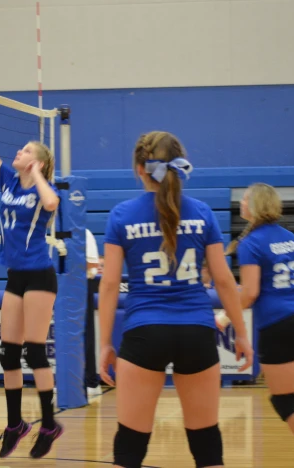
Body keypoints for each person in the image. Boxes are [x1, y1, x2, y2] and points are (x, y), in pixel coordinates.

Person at [98, 131, 253, 468]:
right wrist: (241, 333)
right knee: (206, 443)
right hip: (195, 331)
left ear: (140, 168)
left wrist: (103, 345)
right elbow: (225, 281)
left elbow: (109, 285)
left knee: (130, 447)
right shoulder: (202, 213)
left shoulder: (122, 215)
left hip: (143, 332)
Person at [0, 78, 63, 459]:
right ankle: (16, 423)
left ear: (36, 161)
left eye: (25, 150)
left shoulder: (40, 187)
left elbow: (52, 204)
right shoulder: (6, 179)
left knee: (35, 352)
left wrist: (37, 173)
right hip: (15, 276)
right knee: (8, 353)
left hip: (39, 275)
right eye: (20, 150)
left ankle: (50, 423)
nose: (17, 152)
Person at [223, 183, 294, 468]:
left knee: (283, 400)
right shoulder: (289, 237)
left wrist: (224, 317)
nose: (242, 204)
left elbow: (249, 293)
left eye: (246, 199)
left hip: (278, 325)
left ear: (256, 205)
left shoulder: (251, 243)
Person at [84, 229, 103, 397]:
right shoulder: (52, 233)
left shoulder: (84, 233)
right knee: (64, 336)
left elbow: (92, 265)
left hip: (81, 284)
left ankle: (91, 382)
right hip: (61, 284)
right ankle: (65, 381)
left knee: (86, 334)